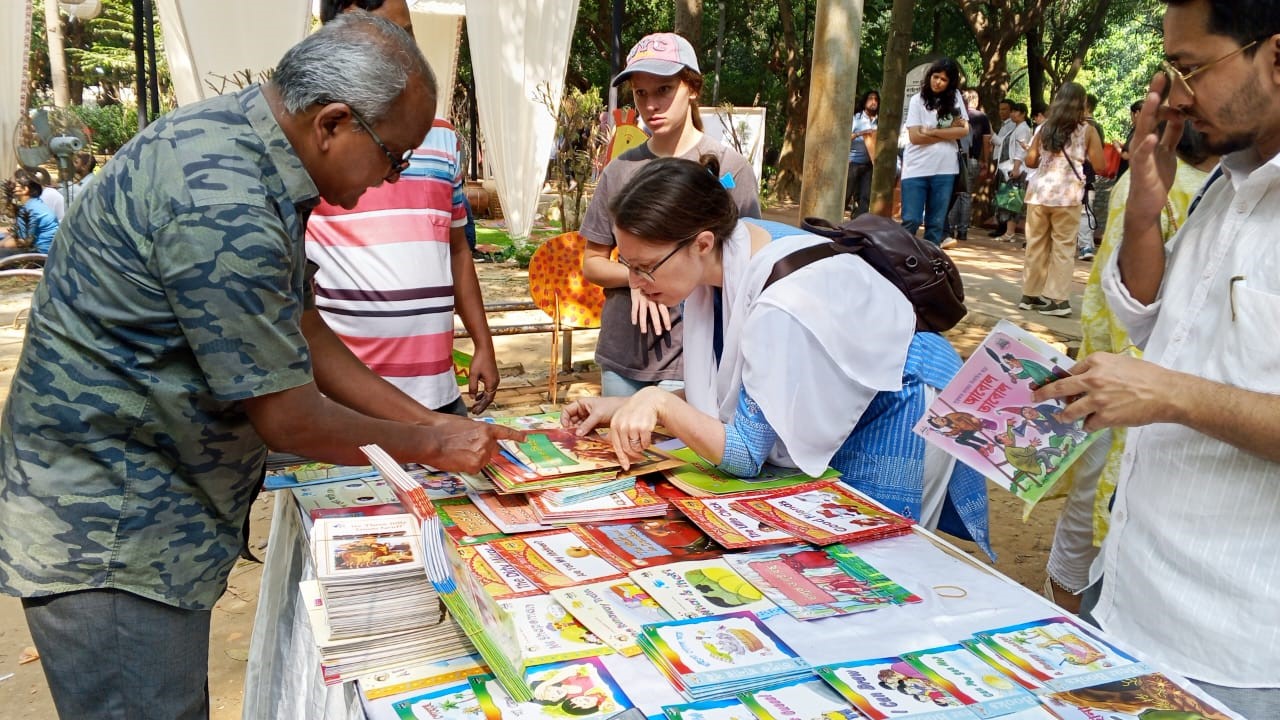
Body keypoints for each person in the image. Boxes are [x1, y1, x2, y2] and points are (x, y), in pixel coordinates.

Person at [0, 15, 523, 719]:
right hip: (110, 531)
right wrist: (432, 444)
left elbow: (304, 329)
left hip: (144, 502)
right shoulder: (226, 200)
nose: (394, 177)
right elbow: (289, 414)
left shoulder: (252, 149)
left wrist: (429, 419)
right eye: (393, 156)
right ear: (333, 123)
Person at [1035, 1, 1280, 716]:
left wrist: (1170, 394)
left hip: (1236, 640)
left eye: (1193, 68)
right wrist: (1142, 214)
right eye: (1169, 71)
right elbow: (1153, 325)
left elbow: (1165, 376)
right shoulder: (1225, 184)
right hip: (1132, 589)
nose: (1174, 96)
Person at [562, 156, 992, 557]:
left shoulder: (778, 305)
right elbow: (732, 392)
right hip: (866, 391)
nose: (635, 282)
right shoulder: (730, 253)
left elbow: (746, 453)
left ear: (701, 242)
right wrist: (621, 405)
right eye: (629, 265)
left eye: (646, 267)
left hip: (904, 400)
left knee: (877, 555)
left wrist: (656, 400)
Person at [1043, 125, 1217, 614]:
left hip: (1163, 397)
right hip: (1120, 384)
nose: (1182, 103)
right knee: (1093, 506)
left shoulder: (1232, 187)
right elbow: (1120, 290)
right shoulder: (1154, 180)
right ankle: (1069, 625)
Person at [309, 0, 498, 416]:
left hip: (436, 390)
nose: (401, 50)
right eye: (383, 33)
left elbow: (457, 249)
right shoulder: (313, 143)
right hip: (348, 397)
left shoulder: (442, 135)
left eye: (407, 34)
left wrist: (482, 341)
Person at [579, 32, 760, 398]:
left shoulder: (729, 168)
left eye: (663, 90)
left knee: (686, 455)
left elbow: (749, 265)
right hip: (625, 352)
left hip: (697, 353)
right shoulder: (620, 170)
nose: (651, 105)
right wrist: (635, 276)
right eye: (640, 93)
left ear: (691, 87)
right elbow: (592, 262)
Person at [1017, 82, 1104, 317]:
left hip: (1039, 193)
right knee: (1063, 247)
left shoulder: (1044, 127)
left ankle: (1030, 295)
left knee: (1035, 244)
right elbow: (1101, 165)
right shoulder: (1087, 130)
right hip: (1067, 196)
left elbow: (1030, 161)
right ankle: (1058, 301)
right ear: (1082, 103)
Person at [900, 57, 969, 249]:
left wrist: (931, 132)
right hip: (916, 168)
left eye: (943, 79)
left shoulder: (955, 98)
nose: (937, 82)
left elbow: (963, 130)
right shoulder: (917, 100)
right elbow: (915, 137)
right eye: (935, 76)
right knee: (911, 220)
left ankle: (929, 263)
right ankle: (901, 256)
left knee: (936, 223)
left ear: (950, 83)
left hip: (945, 169)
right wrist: (948, 134)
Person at [945, 88, 990, 244]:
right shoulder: (982, 117)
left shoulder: (956, 116)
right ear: (975, 100)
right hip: (972, 159)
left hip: (956, 157)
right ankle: (963, 230)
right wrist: (986, 161)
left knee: (954, 192)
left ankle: (950, 227)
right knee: (965, 194)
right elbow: (986, 141)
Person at [991, 101, 1033, 242]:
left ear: (1023, 114)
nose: (1012, 114)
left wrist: (1016, 168)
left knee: (1013, 200)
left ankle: (1010, 232)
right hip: (1006, 168)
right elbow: (1001, 142)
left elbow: (1021, 151)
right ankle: (1008, 231)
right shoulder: (1014, 128)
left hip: (1015, 169)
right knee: (1007, 200)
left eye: (1016, 112)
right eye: (1012, 111)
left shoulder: (1023, 129)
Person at [1076, 94, 1106, 261]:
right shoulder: (1091, 127)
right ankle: (1085, 244)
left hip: (1084, 175)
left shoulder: (1090, 127)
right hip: (1082, 175)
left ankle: (1086, 246)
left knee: (1084, 212)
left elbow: (1097, 157)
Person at [2, 177, 59, 254]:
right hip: (51, 250)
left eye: (16, 186)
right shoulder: (36, 203)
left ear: (25, 189)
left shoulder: (27, 210)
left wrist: (2, 244)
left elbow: (22, 242)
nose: (14, 189)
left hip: (40, 253)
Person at [845, 89, 879, 217]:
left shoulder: (880, 120)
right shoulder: (856, 118)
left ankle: (858, 225)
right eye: (870, 99)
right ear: (865, 101)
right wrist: (861, 133)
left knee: (865, 197)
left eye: (876, 99)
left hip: (869, 164)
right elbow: (846, 137)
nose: (873, 102)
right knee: (846, 194)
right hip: (853, 162)